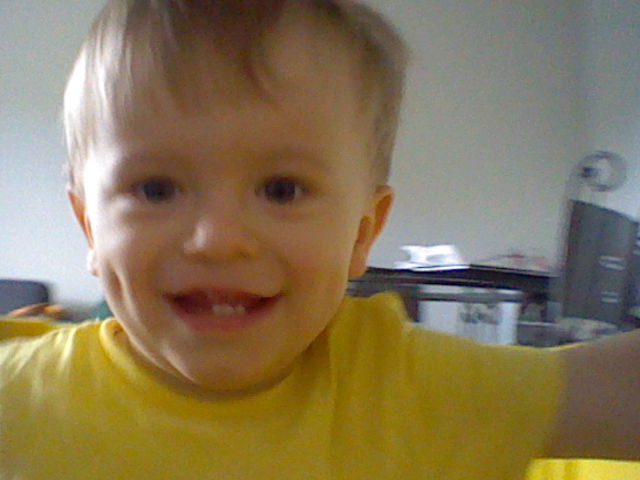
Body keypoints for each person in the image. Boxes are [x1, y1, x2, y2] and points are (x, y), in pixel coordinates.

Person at [1, 1, 638, 478]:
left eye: (282, 190)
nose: (217, 240)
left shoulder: (404, 389)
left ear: (363, 232)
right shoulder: (21, 396)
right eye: (156, 189)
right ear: (90, 226)